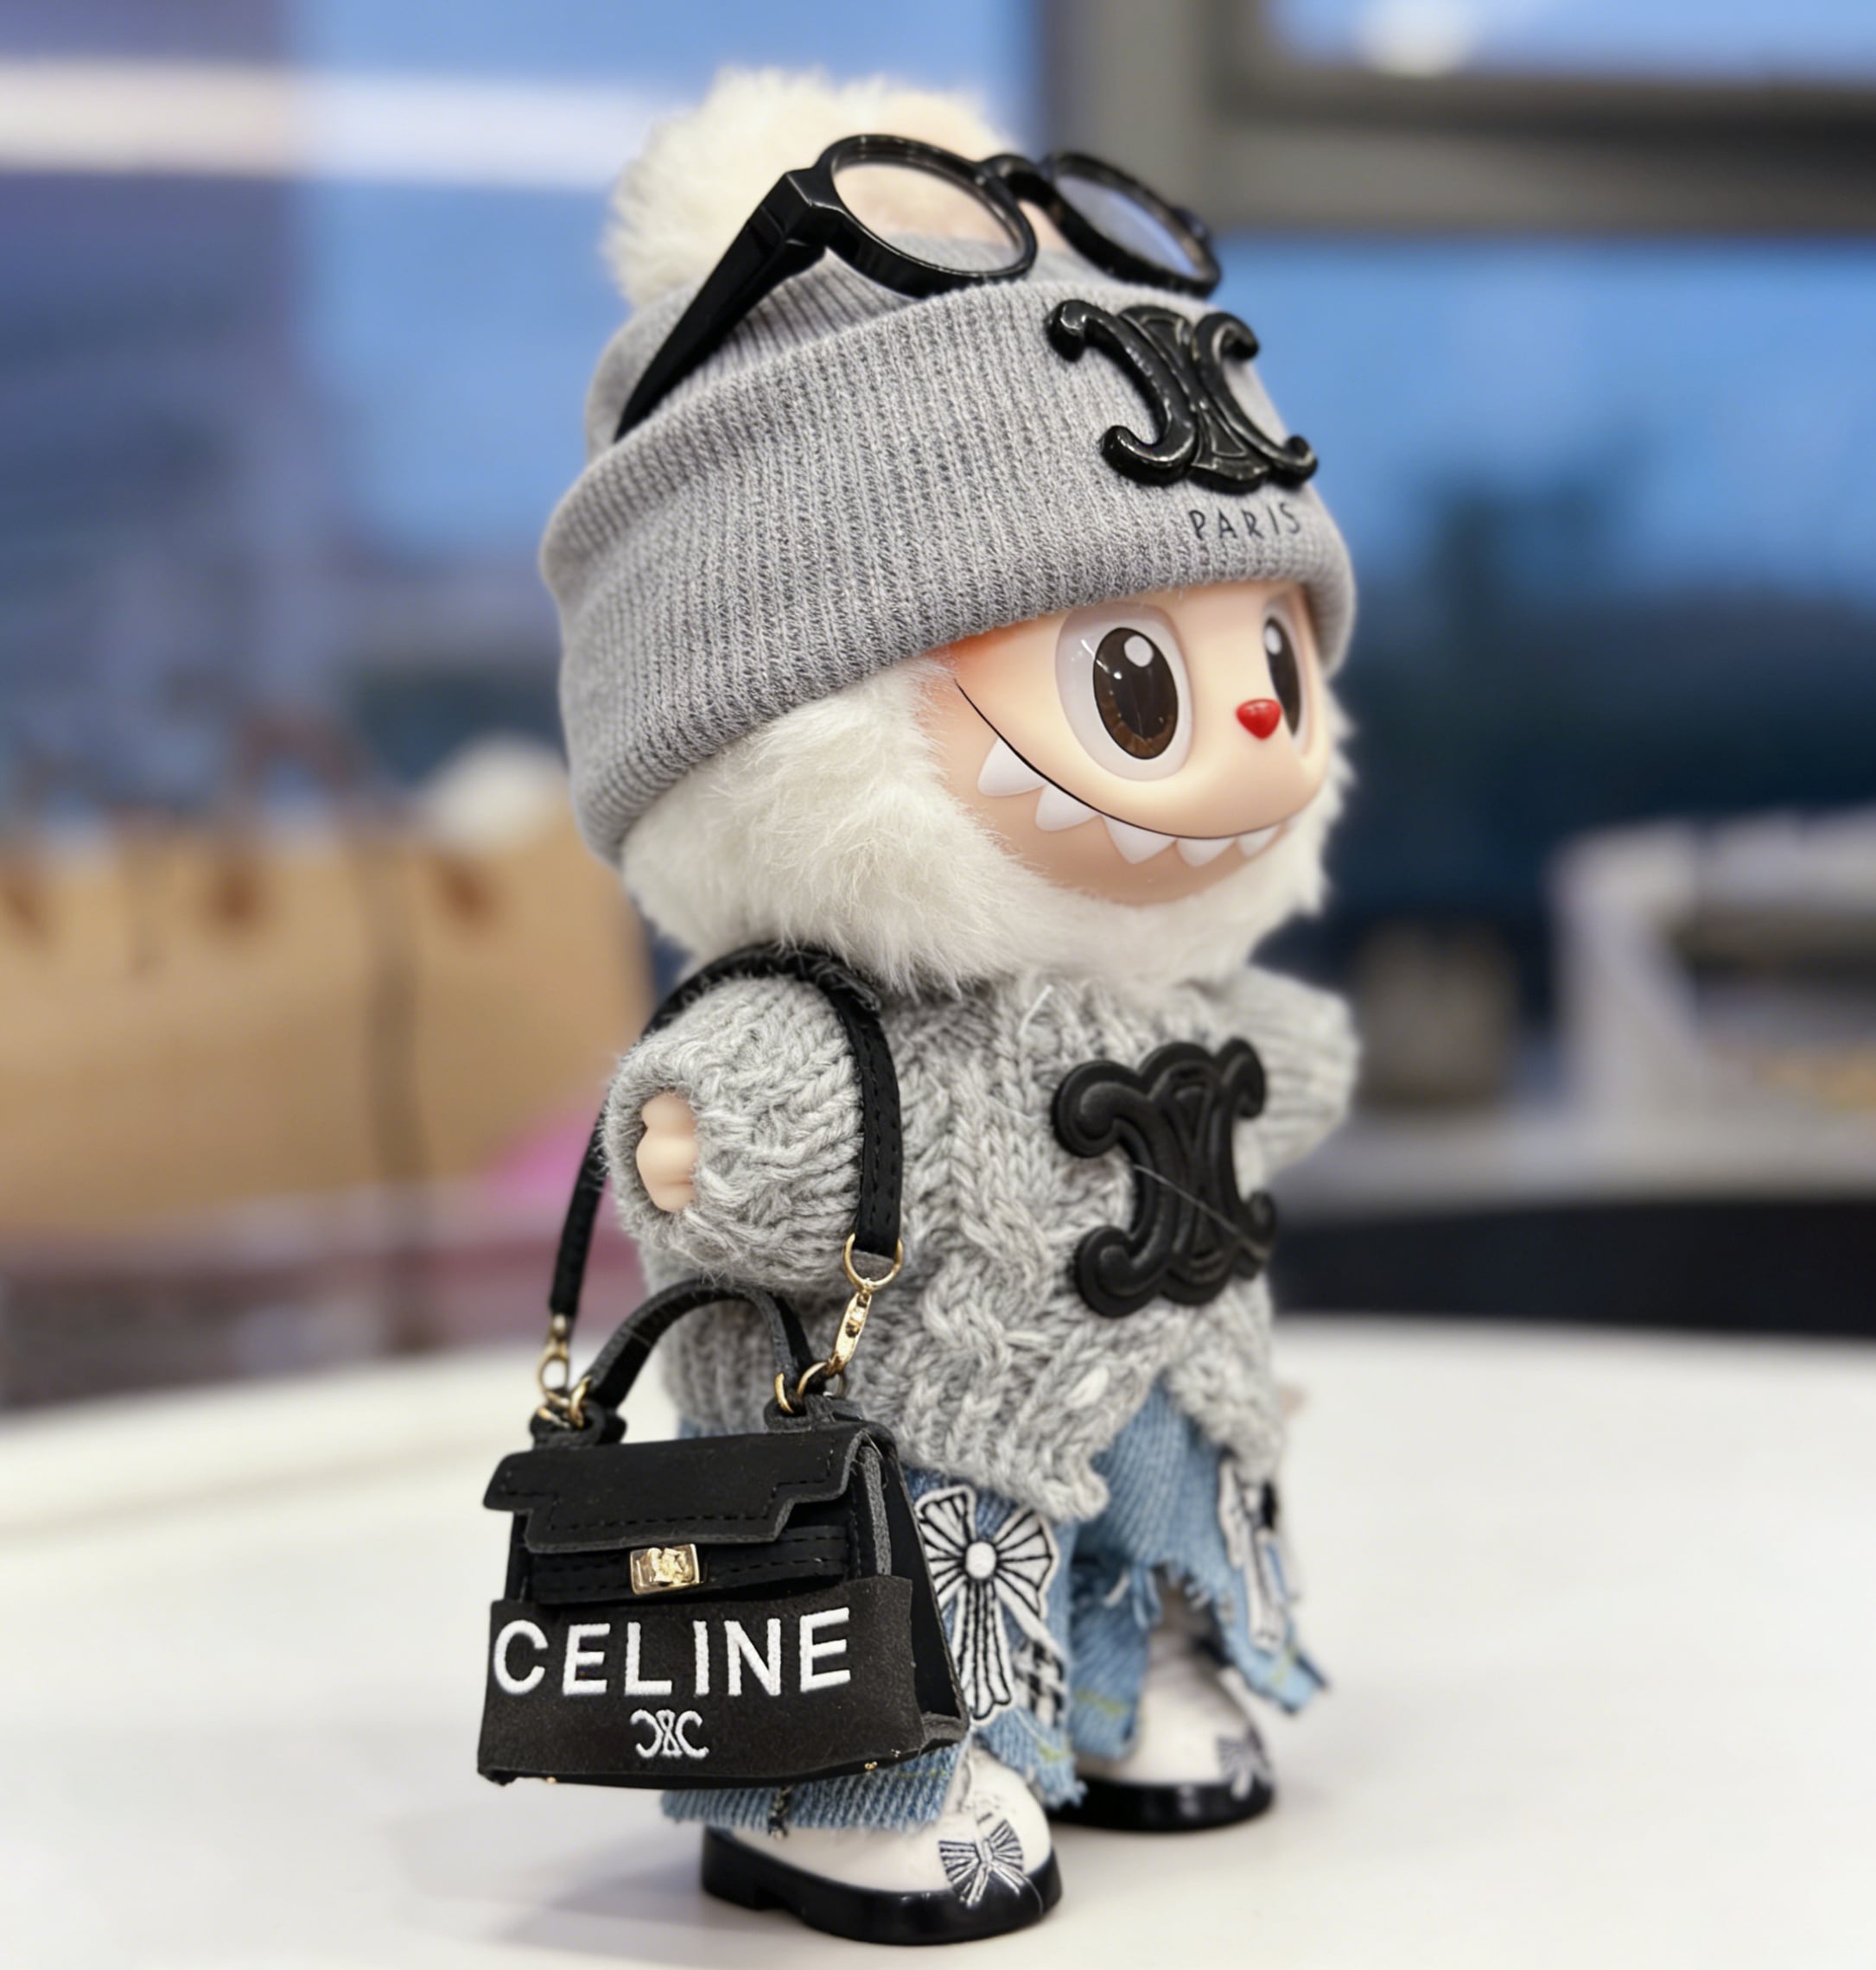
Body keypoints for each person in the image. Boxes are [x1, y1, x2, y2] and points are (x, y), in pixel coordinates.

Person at [545, 68, 1358, 1945]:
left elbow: (1279, 1074)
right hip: (913, 1426)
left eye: (1276, 652)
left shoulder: (1177, 996)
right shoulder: (836, 1020)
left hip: (1158, 1379)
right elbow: (737, 1130)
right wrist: (699, 1142)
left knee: (1162, 1505)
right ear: (788, 719)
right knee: (919, 1566)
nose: (1255, 721)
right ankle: (860, 1778)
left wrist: (1272, 1078)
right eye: (1134, 677)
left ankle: (1128, 1674)